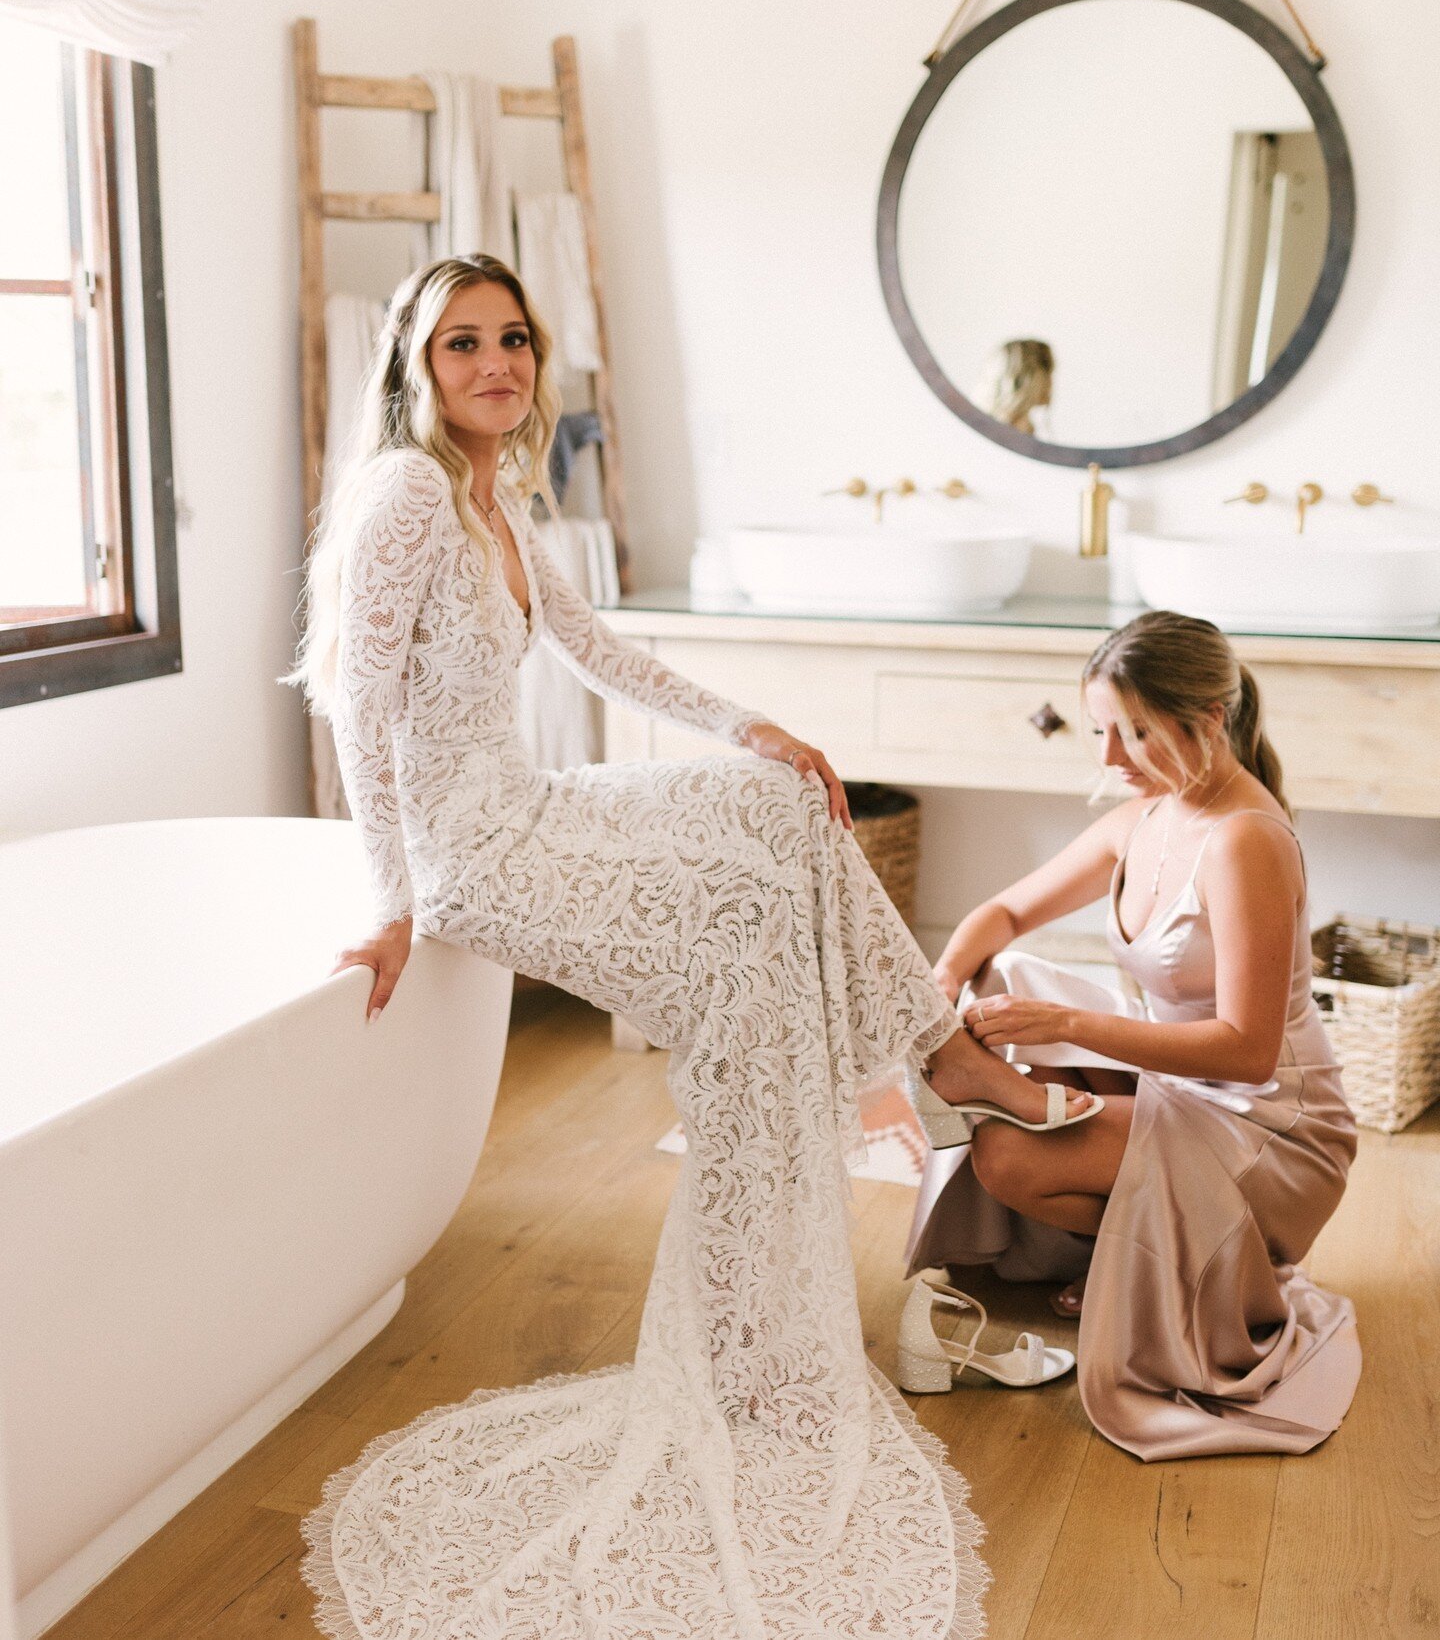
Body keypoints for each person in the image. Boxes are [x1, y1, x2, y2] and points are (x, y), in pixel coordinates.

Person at [284, 252, 1067, 1635]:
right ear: (416, 366)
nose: (495, 365)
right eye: (461, 344)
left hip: (531, 804)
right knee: (744, 943)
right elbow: (356, 706)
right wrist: (392, 900)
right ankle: (894, 1132)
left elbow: (599, 652)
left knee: (778, 813)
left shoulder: (496, 494)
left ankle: (918, 1081)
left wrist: (753, 725)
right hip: (480, 856)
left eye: (512, 339)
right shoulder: (409, 491)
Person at [905, 610, 1361, 1461]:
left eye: (1136, 733)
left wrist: (1069, 1027)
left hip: (1273, 1124)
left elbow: (1248, 1052)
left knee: (1010, 1152)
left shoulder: (1244, 842)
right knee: (1013, 997)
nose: (1110, 758)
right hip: (1188, 1089)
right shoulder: (1145, 815)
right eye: (1100, 730)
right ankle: (1119, 1244)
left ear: (1209, 720)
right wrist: (941, 986)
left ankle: (1008, 1097)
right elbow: (1005, 910)